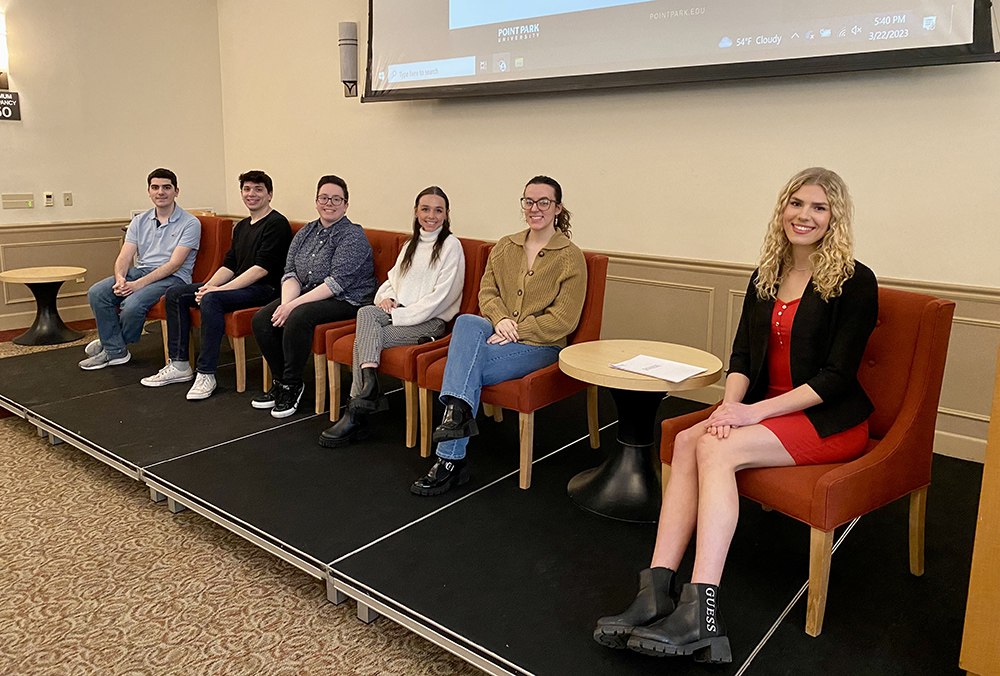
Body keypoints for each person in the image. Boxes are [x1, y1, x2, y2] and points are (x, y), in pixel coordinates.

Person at [593, 168, 879, 664]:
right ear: (782, 209)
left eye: (819, 207)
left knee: (713, 447)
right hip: (766, 412)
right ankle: (657, 589)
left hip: (831, 421)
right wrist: (730, 406)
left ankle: (702, 613)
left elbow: (835, 378)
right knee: (686, 441)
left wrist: (748, 416)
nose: (804, 216)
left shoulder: (855, 281)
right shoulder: (766, 274)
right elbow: (743, 358)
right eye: (796, 203)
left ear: (836, 217)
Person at [410, 176, 587, 496]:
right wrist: (501, 319)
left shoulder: (571, 256)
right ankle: (457, 424)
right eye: (528, 201)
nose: (535, 208)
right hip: (497, 331)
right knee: (466, 321)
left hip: (541, 345)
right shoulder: (506, 245)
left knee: (463, 366)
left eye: (544, 202)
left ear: (557, 208)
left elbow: (564, 321)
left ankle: (450, 460)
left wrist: (516, 329)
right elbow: (487, 293)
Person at [319, 186, 465, 447]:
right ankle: (368, 389)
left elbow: (441, 298)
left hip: (429, 322)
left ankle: (356, 412)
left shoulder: (451, 247)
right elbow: (392, 280)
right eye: (425, 209)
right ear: (416, 211)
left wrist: (401, 315)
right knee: (366, 313)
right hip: (399, 312)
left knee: (365, 338)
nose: (431, 215)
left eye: (438, 210)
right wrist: (386, 298)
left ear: (447, 214)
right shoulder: (411, 244)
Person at [139, 171, 292, 399]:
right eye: (247, 189)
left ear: (270, 195)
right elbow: (229, 265)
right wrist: (207, 286)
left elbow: (261, 269)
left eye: (258, 189)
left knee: (212, 299)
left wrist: (217, 291)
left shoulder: (276, 224)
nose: (252, 194)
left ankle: (206, 373)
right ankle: (180, 364)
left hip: (266, 289)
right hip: (239, 285)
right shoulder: (242, 227)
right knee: (176, 294)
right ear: (242, 193)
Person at [251, 175, 376, 419]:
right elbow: (291, 273)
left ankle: (293, 385)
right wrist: (286, 304)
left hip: (348, 300)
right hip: (310, 294)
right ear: (316, 201)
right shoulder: (306, 232)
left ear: (346, 205)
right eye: (324, 198)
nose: (329, 203)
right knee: (262, 319)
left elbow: (336, 283)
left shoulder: (352, 236)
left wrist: (292, 307)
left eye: (336, 199)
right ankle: (281, 381)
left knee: (298, 316)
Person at [81, 168, 201, 370]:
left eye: (166, 187)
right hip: (141, 271)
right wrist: (120, 278)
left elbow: (174, 265)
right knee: (97, 292)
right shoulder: (139, 221)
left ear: (176, 191)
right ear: (149, 191)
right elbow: (124, 256)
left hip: (173, 278)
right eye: (155, 187)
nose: (160, 192)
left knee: (132, 304)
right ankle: (116, 350)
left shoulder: (190, 223)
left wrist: (136, 285)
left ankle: (111, 345)